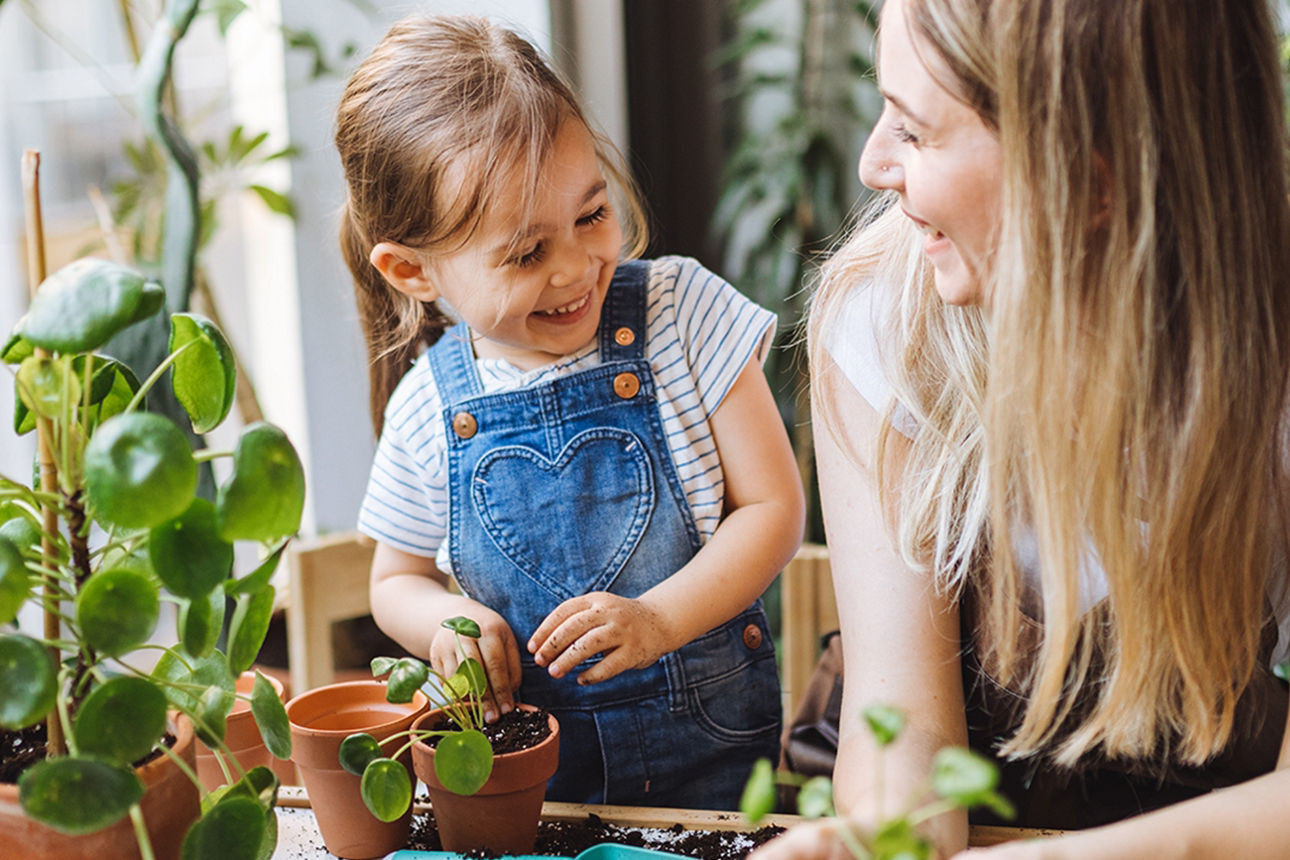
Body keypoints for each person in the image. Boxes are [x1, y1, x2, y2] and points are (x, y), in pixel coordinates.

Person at [754, 0, 1290, 857]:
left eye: (916, 132)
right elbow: (908, 734)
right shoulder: (882, 317)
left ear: (1090, 178)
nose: (871, 163)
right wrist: (880, 843)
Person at [336, 15, 804, 810]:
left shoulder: (680, 313)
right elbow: (396, 581)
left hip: (716, 778)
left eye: (591, 215)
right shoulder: (428, 405)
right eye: (526, 253)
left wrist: (658, 620)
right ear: (411, 269)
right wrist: (447, 623)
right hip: (536, 798)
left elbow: (774, 508)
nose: (576, 268)